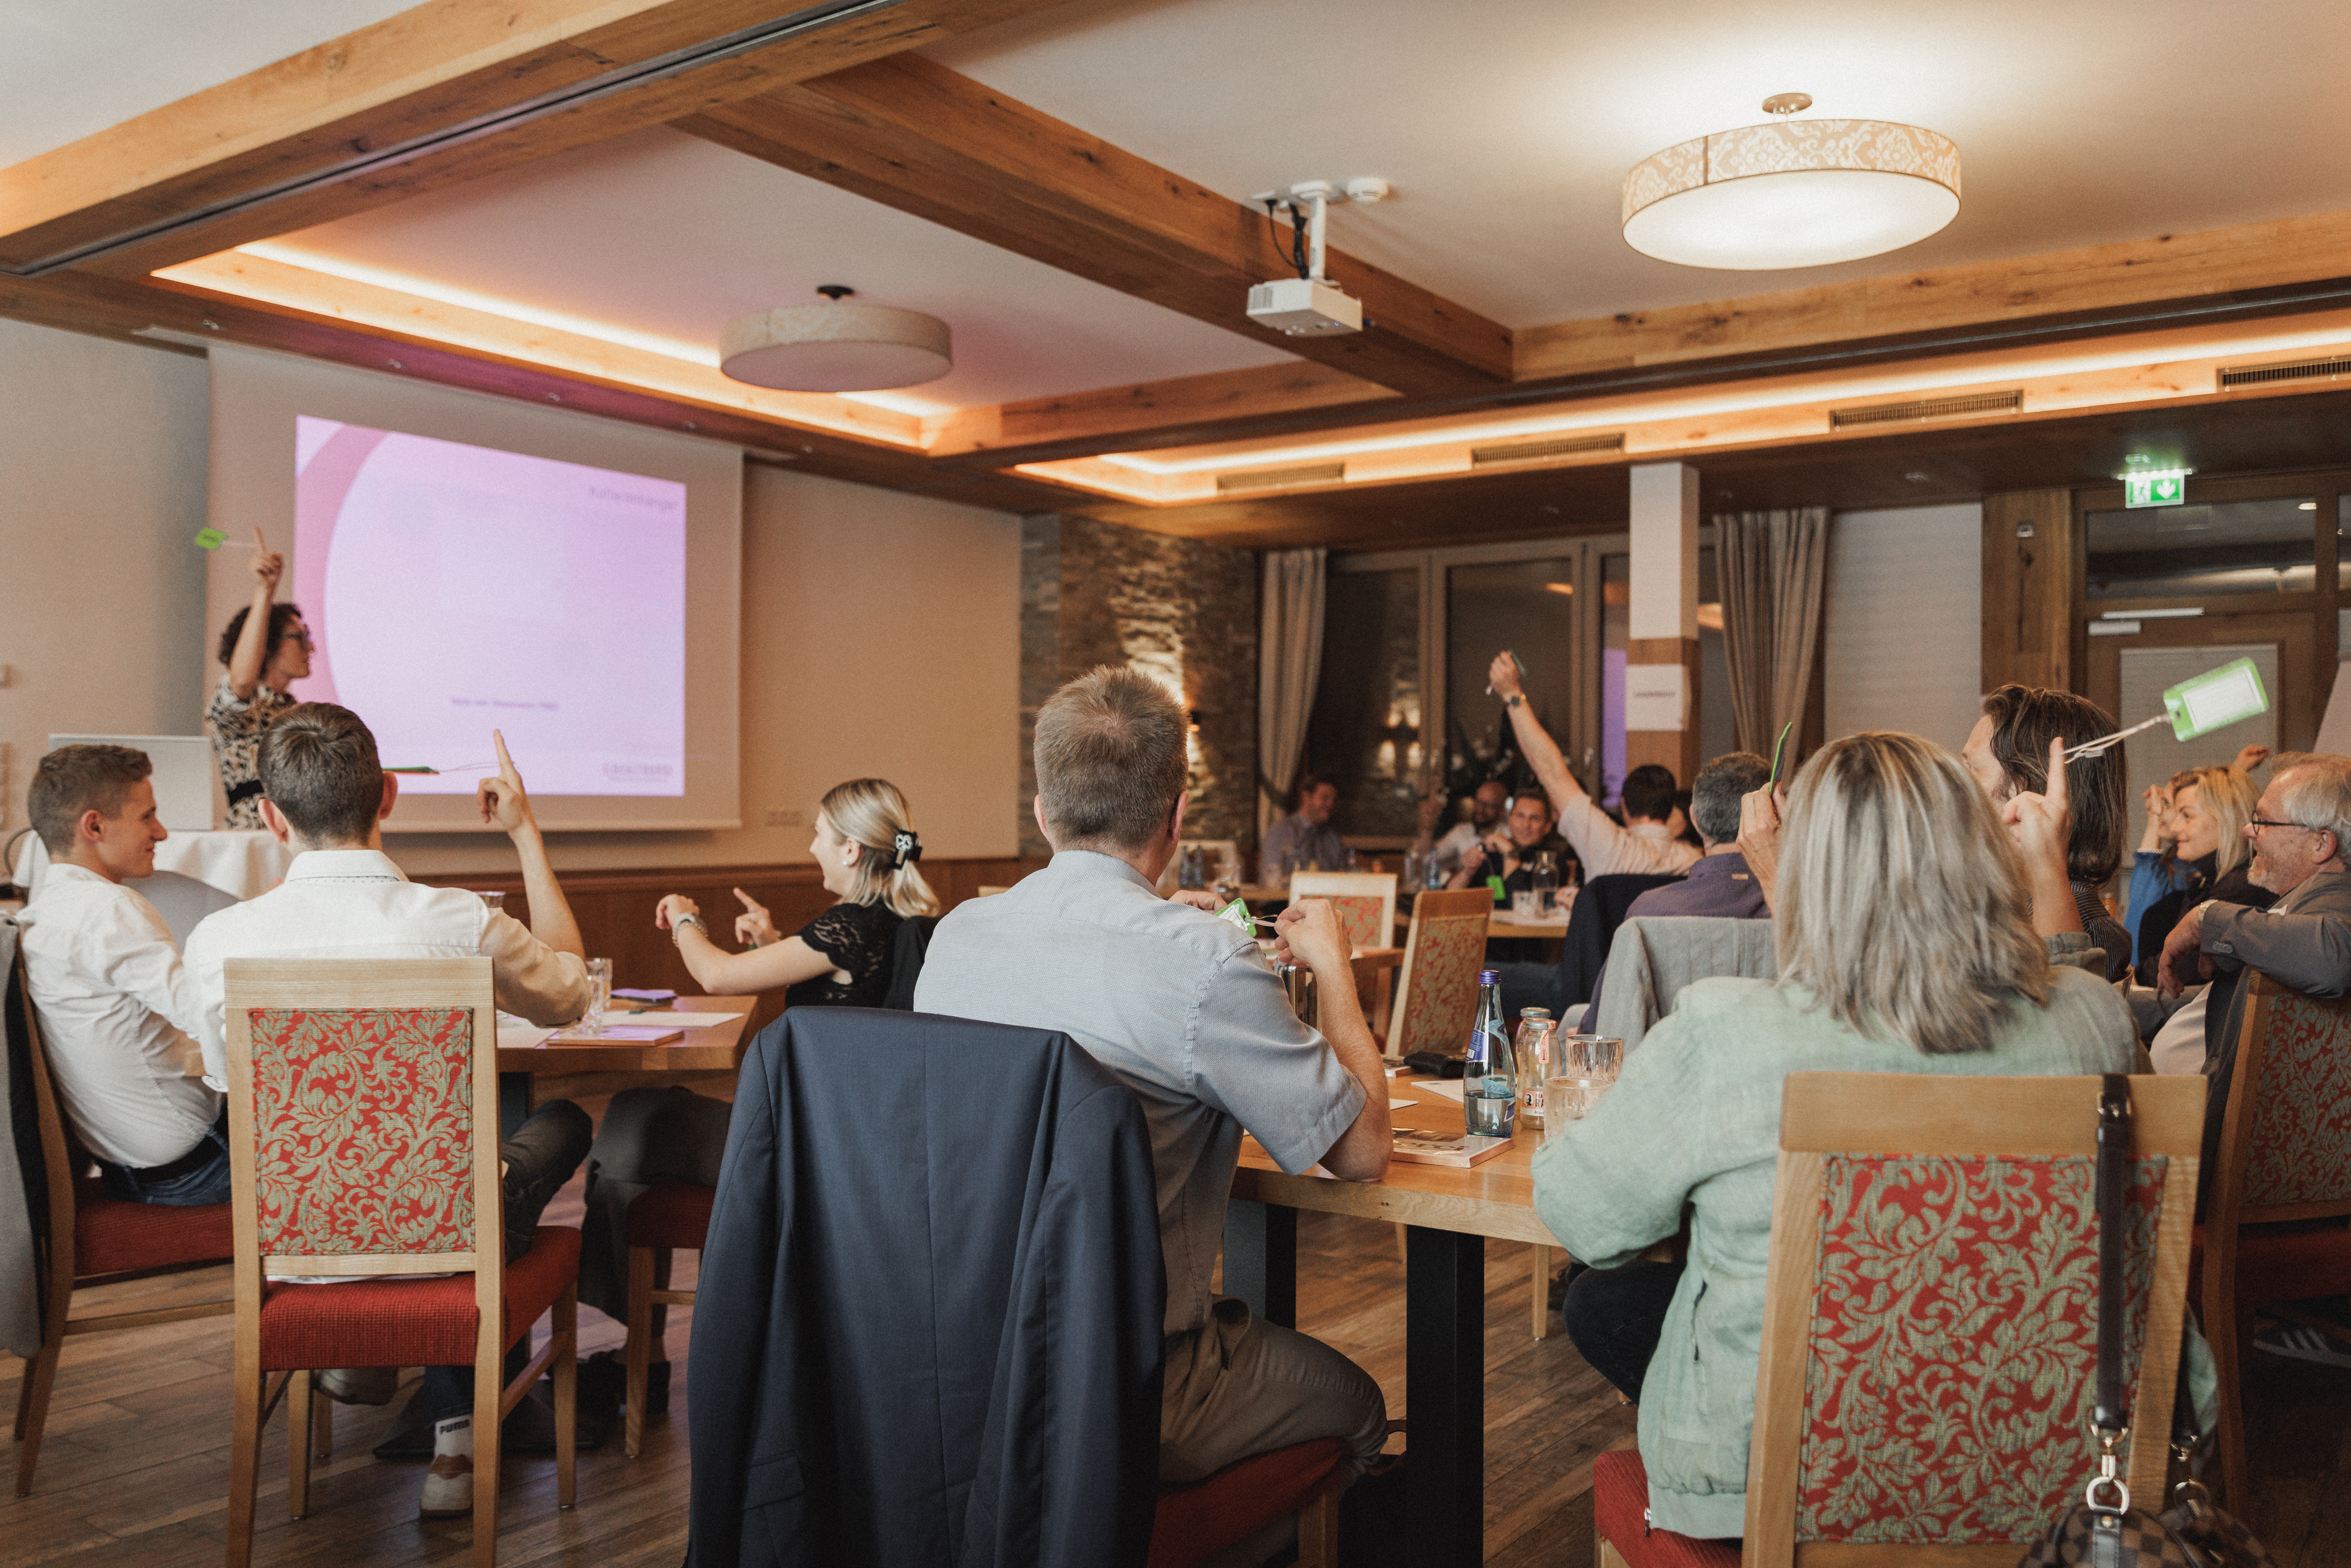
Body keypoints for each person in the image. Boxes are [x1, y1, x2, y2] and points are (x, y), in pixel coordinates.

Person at [1536, 731, 2136, 1540]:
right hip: (2057, 1464)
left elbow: (1582, 1216)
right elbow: (2061, 981)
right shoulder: (2096, 1022)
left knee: (1601, 1299)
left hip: (1784, 1496)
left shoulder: (1729, 1030)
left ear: (1800, 871)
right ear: (1987, 854)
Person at [915, 666, 1393, 1489]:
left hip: (950, 1364)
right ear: (1177, 818)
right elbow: (1361, 1153)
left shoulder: (956, 938)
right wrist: (1335, 973)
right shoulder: (1205, 964)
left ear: (1042, 811)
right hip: (1129, 1380)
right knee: (1361, 1408)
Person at [181, 704, 592, 1520]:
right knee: (564, 1124)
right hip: (446, 1242)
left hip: (297, 1250)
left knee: (463, 1157)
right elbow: (570, 995)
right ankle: (457, 1435)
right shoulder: (457, 924)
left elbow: (234, 1089)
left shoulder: (218, 941)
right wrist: (525, 836)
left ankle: (372, 1363)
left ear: (270, 815)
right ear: (390, 797)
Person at [572, 780, 939, 1358]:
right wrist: (770, 943)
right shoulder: (895, 922)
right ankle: (634, 1348)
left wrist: (686, 920)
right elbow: (844, 997)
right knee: (638, 1134)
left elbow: (713, 977)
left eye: (818, 834)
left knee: (633, 1120)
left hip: (805, 1151)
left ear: (850, 849)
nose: (812, 847)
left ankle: (631, 1345)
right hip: (853, 1143)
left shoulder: (849, 924)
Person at [18, 746, 223, 1204]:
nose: (162, 832)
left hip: (120, 1164)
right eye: (147, 817)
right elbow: (214, 1022)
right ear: (94, 826)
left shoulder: (43, 913)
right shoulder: (110, 910)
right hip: (190, 1165)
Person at [1579, 751, 1771, 1024]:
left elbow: (1604, 1023)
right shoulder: (1800, 913)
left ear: (1694, 818)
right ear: (1776, 815)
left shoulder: (1649, 911)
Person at [1961, 683, 2132, 980]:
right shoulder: (2005, 904)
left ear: (2022, 788)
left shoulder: (2088, 931)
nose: (1956, 787)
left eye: (1971, 769)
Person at [1488, 652, 1700, 879]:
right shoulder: (1693, 860)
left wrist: (1512, 694)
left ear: (1624, 806)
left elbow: (1551, 770)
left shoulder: (1610, 845)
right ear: (1670, 811)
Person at [205, 530, 310, 829]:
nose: (310, 647)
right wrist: (265, 590)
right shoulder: (238, 708)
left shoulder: (294, 709)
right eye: (298, 638)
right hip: (253, 837)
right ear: (267, 645)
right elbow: (241, 681)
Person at [2133, 764, 2263, 980]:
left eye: (2186, 816)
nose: (2174, 828)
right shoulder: (2207, 883)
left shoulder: (2241, 889)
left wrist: (2129, 979)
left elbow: (2181, 969)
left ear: (2227, 819)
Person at [1258, 773, 1349, 880]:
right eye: (1325, 798)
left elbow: (1344, 875)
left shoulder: (1332, 838)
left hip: (1326, 897)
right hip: (1289, 897)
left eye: (1333, 800)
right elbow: (1271, 880)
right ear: (1306, 797)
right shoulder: (1281, 831)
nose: (1330, 804)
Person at [1414, 779, 1508, 880]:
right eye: (1478, 802)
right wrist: (1428, 828)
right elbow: (1429, 859)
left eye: (1489, 805)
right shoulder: (1462, 832)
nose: (1481, 809)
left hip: (1499, 892)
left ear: (1502, 810)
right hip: (1465, 891)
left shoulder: (1508, 834)